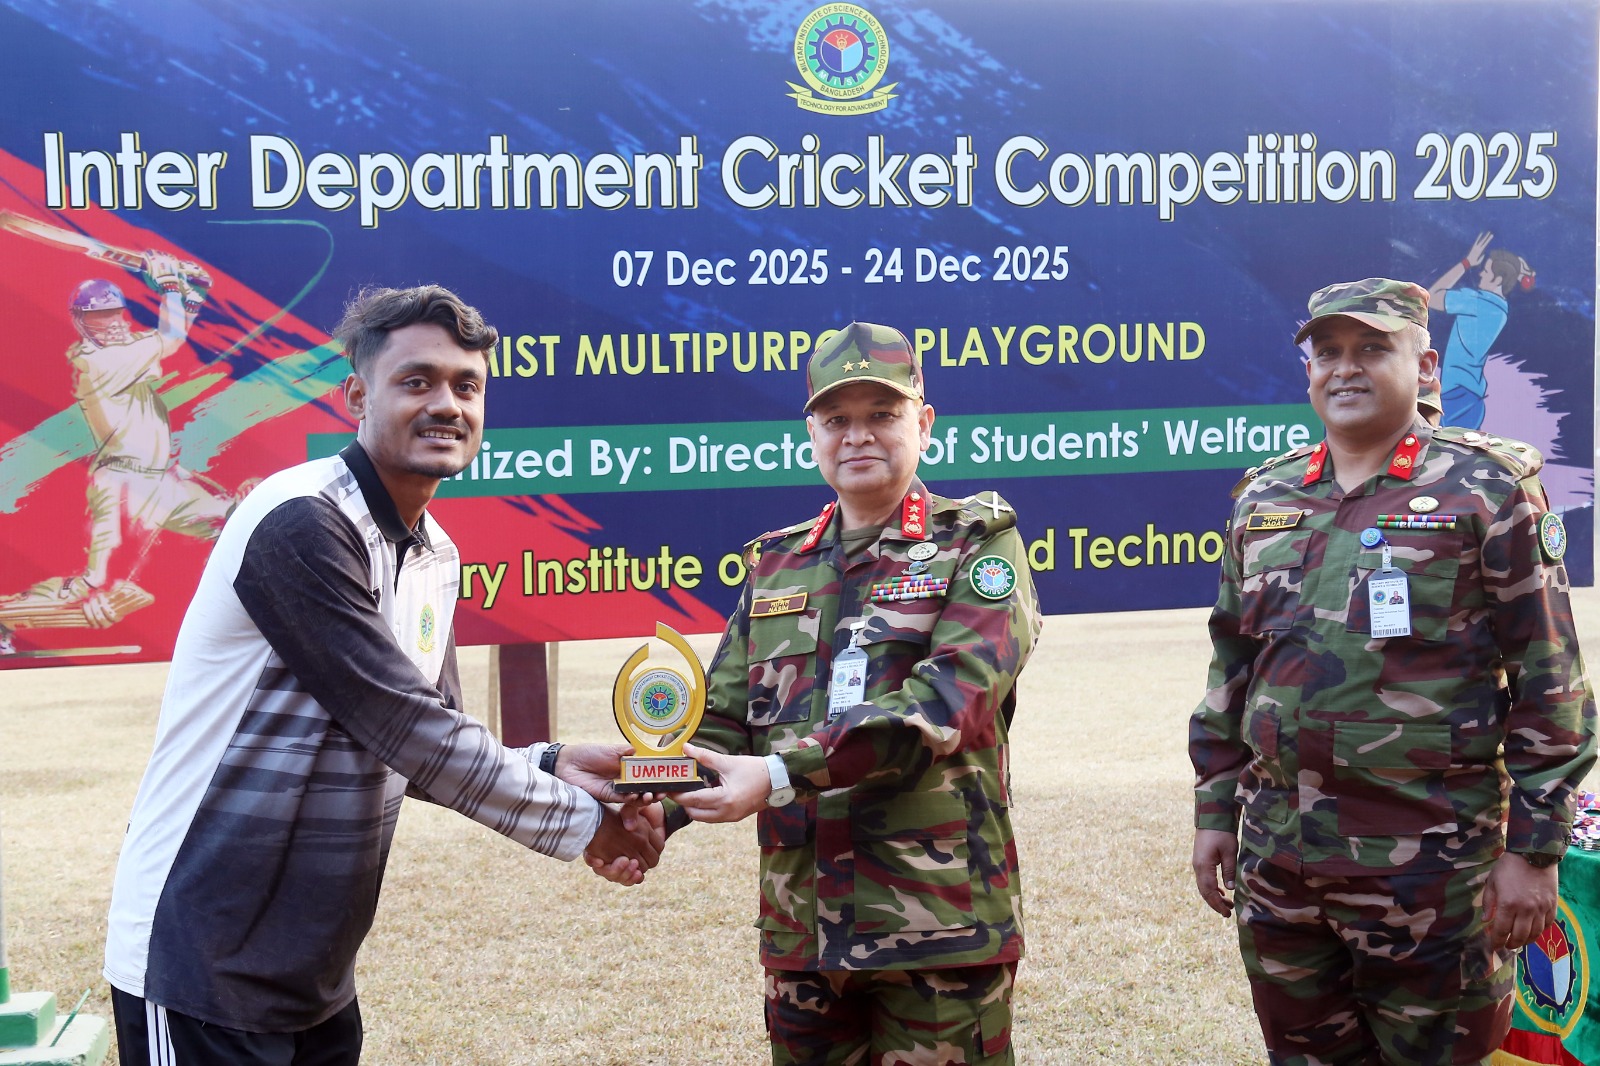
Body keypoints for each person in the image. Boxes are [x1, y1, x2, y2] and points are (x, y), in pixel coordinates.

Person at [104, 285, 662, 1066]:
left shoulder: (437, 555)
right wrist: (586, 822)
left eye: (467, 386)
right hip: (199, 954)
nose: (446, 405)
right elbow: (407, 726)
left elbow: (424, 745)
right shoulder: (302, 520)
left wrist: (553, 762)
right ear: (358, 397)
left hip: (313, 970)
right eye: (417, 381)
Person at [1190, 278, 1595, 1065]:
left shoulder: (1488, 489)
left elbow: (1551, 680)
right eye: (1328, 351)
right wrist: (1214, 813)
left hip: (1433, 878)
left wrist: (1534, 851)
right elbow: (1231, 669)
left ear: (1427, 367)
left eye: (1373, 348)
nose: (1345, 367)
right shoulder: (1265, 497)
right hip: (1282, 872)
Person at [671, 322, 1042, 1066]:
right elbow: (722, 723)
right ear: (812, 432)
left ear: (923, 424)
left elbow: (945, 708)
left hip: (937, 928)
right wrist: (649, 803)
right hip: (803, 930)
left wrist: (779, 773)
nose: (857, 435)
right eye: (837, 418)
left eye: (882, 413)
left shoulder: (976, 544)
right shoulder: (775, 565)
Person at [1427, 231, 1534, 430]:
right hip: (1469, 397)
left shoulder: (1478, 303)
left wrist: (1467, 262)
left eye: (1486, 271)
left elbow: (1431, 296)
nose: (1480, 274)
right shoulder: (1500, 308)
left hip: (1457, 396)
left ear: (1498, 279)